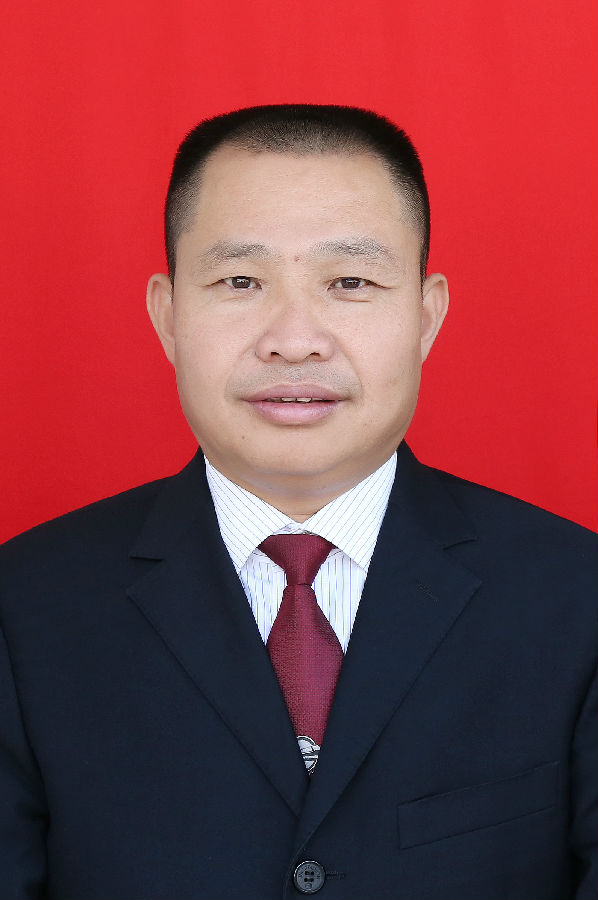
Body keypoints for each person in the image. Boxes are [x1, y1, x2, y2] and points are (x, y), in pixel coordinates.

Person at [0, 104, 595, 900]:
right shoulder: (25, 607)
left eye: (350, 282)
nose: (293, 338)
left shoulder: (577, 598)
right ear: (168, 315)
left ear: (425, 316)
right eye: (240, 281)